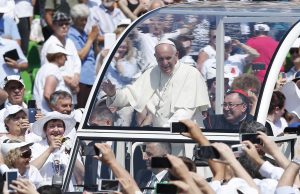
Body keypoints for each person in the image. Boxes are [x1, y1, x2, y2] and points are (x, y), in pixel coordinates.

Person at [102, 39, 210, 127]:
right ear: (155, 57)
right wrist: (113, 94)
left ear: (176, 55)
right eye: (160, 59)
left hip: (185, 138)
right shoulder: (152, 73)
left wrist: (162, 133)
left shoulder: (191, 74)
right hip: (161, 138)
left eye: (168, 58)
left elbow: (185, 112)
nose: (165, 63)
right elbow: (132, 94)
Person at [30, 111, 84, 188]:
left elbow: (82, 174)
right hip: (45, 191)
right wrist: (50, 149)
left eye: (59, 126)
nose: (56, 130)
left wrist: (72, 154)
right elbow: (30, 170)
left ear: (64, 130)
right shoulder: (37, 146)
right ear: (45, 130)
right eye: (51, 126)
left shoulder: (71, 146)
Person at [40, 11, 81, 106]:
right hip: (57, 91)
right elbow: (47, 68)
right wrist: (67, 80)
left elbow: (77, 62)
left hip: (71, 92)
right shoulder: (49, 44)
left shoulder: (70, 41)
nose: (64, 26)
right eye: (61, 24)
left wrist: (76, 78)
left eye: (67, 24)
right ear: (53, 26)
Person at [68, 4, 99, 108]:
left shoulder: (85, 34)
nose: (84, 23)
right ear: (74, 19)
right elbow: (80, 56)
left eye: (86, 20)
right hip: (82, 80)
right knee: (82, 110)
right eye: (82, 20)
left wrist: (95, 40)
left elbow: (94, 53)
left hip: (91, 77)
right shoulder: (71, 34)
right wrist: (91, 39)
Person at [34, 44, 71, 114]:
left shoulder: (45, 68)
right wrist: (56, 111)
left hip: (43, 113)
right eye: (64, 56)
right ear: (58, 56)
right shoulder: (53, 69)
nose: (66, 59)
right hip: (48, 114)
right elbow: (48, 94)